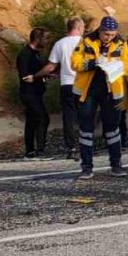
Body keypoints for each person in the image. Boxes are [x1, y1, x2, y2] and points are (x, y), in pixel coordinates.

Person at [71, 13, 128, 178]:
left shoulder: (121, 43)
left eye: (112, 35)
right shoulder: (86, 41)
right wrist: (93, 63)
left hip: (111, 91)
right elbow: (74, 62)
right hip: (88, 91)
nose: (109, 38)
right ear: (100, 31)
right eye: (106, 34)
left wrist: (117, 65)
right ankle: (86, 166)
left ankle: (116, 165)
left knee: (113, 129)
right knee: (86, 129)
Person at [43, 16, 85, 159]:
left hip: (67, 83)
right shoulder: (85, 42)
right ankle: (86, 145)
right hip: (83, 83)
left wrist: (36, 75)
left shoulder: (59, 44)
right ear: (78, 28)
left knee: (68, 116)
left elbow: (51, 67)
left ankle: (71, 148)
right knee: (86, 114)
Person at [17, 27, 52, 158]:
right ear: (37, 39)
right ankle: (40, 150)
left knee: (32, 120)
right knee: (42, 118)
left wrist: (43, 76)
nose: (47, 41)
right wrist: (38, 76)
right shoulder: (26, 54)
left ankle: (30, 151)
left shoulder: (35, 53)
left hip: (35, 92)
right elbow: (25, 76)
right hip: (29, 93)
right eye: (45, 38)